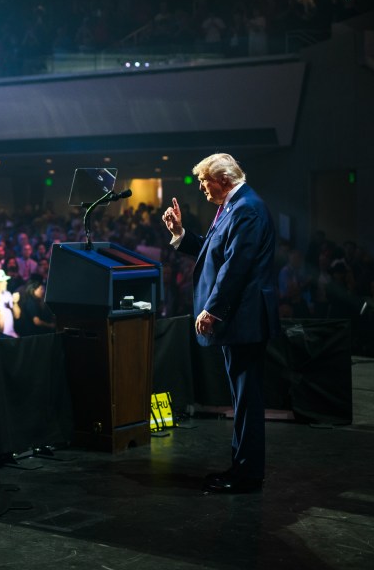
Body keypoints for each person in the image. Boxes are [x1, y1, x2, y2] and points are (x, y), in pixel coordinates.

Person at [162, 152, 278, 494]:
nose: (200, 187)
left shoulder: (246, 208)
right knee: (243, 399)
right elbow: (216, 251)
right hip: (239, 318)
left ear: (223, 179)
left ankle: (246, 475)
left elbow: (236, 265)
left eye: (204, 181)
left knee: (247, 400)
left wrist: (213, 309)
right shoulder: (234, 205)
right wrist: (181, 234)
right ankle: (242, 469)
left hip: (243, 318)